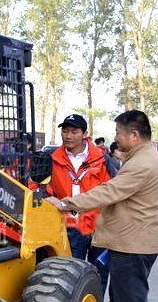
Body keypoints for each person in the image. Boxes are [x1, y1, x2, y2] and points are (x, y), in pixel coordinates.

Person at [45, 110, 158, 302]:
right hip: (133, 238)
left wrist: (68, 203)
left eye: (119, 134)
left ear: (134, 135)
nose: (116, 139)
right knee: (120, 297)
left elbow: (109, 191)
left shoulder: (142, 164)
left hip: (134, 242)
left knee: (131, 301)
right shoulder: (142, 158)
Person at [40, 113, 111, 291]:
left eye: (73, 131)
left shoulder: (103, 160)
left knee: (99, 277)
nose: (68, 135)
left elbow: (115, 190)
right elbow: (36, 186)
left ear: (85, 134)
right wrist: (46, 196)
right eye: (65, 131)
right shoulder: (51, 158)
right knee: (69, 278)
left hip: (100, 230)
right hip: (69, 227)